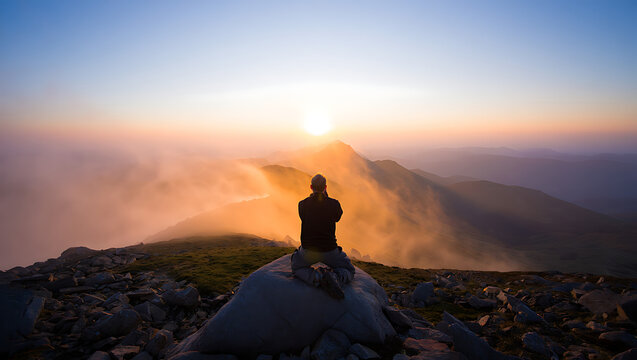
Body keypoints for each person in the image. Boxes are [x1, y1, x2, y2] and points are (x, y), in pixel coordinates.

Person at [291, 173, 355, 299]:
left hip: (308, 251)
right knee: (350, 270)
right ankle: (335, 278)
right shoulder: (334, 204)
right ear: (325, 187)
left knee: (296, 267)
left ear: (311, 187)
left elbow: (304, 216)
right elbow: (337, 217)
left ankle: (318, 278)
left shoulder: (302, 204)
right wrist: (326, 197)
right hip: (330, 250)